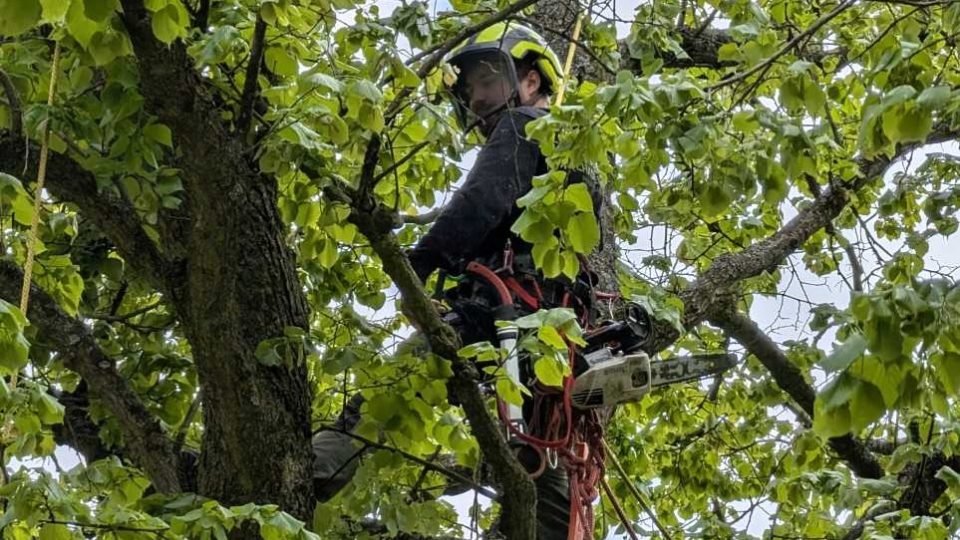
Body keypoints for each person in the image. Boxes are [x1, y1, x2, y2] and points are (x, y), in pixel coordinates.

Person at [313, 22, 602, 539]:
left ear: (531, 81)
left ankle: (304, 473)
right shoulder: (574, 162)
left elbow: (478, 205)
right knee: (546, 456)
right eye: (469, 90)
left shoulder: (525, 124)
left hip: (498, 314)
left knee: (388, 392)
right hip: (552, 341)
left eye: (487, 80)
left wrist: (419, 267)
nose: (476, 98)